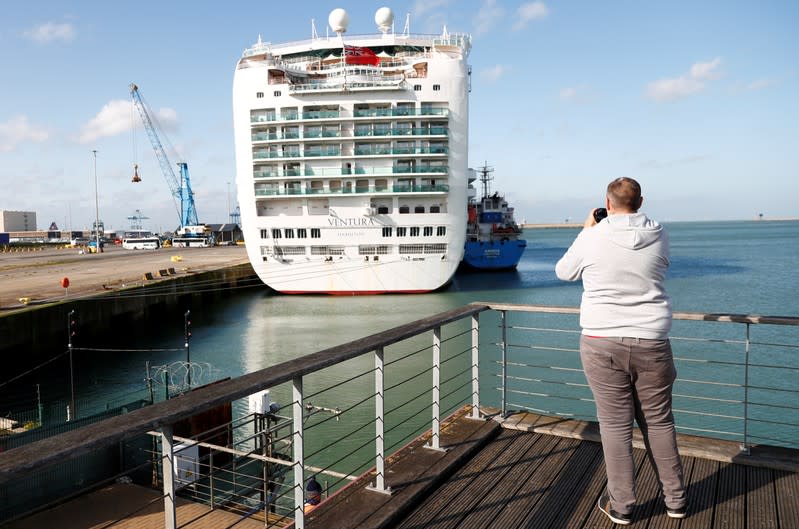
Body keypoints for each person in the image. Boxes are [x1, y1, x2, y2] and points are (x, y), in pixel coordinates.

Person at [555, 177, 687, 525]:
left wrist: (587, 229)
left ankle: (623, 506)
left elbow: (564, 272)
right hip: (653, 339)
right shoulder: (659, 234)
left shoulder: (593, 236)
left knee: (614, 427)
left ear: (607, 203)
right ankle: (676, 501)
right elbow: (661, 268)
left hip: (602, 341)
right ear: (641, 201)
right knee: (659, 422)